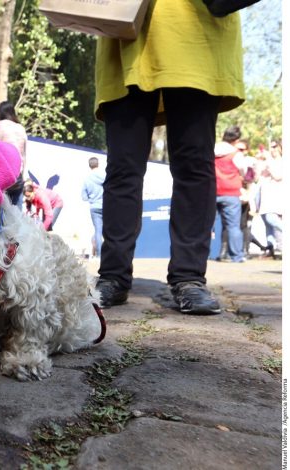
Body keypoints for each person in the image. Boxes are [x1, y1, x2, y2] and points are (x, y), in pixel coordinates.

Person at [93, 0, 245, 314]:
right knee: (123, 166)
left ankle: (189, 277)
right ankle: (112, 276)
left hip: (196, 32)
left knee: (194, 164)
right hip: (127, 26)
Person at [213, 126, 248, 263]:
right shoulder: (236, 154)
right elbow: (243, 171)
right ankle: (236, 256)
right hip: (231, 192)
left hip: (213, 190)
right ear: (236, 139)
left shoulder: (212, 149)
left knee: (207, 224)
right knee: (233, 225)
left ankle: (204, 254)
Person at [0, 101, 28, 209]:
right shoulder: (20, 128)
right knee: (16, 211)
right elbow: (24, 155)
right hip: (18, 175)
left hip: (4, 173)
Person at [256, 144, 282, 257]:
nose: (273, 149)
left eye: (275, 147)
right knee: (267, 223)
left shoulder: (283, 161)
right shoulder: (267, 162)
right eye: (271, 147)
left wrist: (269, 164)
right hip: (264, 195)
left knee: (271, 219)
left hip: (275, 195)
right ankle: (270, 249)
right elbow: (257, 178)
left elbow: (278, 176)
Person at [81, 156, 105, 258]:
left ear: (89, 165)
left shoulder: (86, 179)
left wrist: (92, 200)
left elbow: (84, 197)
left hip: (94, 207)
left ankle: (99, 255)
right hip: (106, 206)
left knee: (98, 231)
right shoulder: (104, 176)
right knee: (109, 230)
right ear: (98, 164)